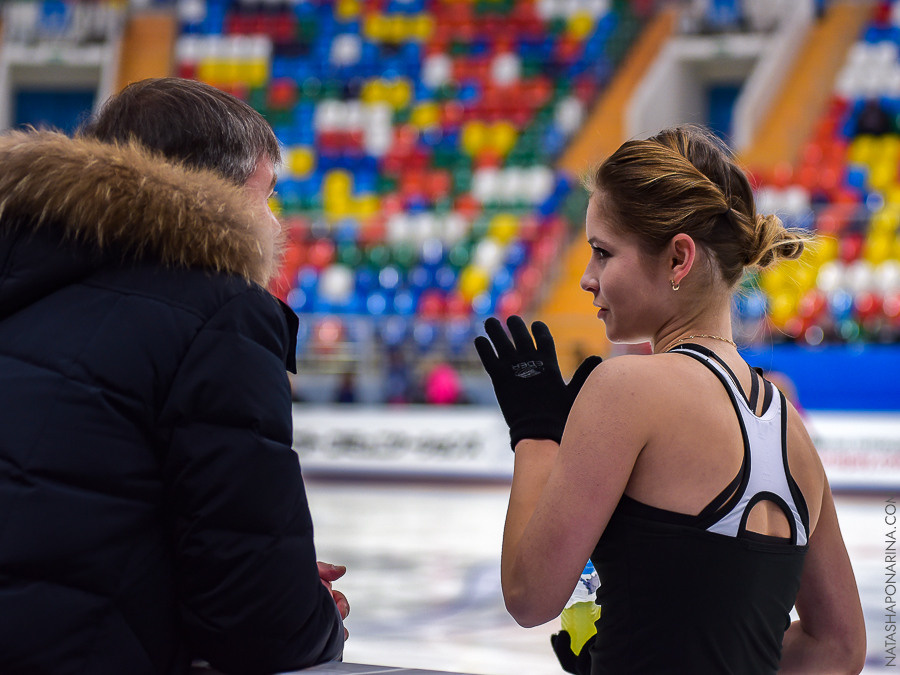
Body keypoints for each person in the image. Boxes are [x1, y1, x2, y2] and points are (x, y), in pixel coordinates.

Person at [475, 125, 866, 674]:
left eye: (602, 253)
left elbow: (529, 594)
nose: (587, 278)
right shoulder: (791, 431)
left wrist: (536, 434)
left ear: (679, 259)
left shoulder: (625, 389)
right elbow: (839, 647)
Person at [0, 78, 348, 674]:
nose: (273, 222)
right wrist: (307, 606)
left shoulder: (23, 277)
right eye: (266, 195)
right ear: (222, 192)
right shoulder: (221, 313)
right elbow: (259, 623)